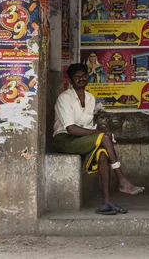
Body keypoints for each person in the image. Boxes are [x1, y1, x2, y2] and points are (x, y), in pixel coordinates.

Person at [52, 63, 144, 215]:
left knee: (102, 154)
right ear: (71, 80)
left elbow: (86, 126)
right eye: (77, 77)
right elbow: (71, 129)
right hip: (64, 139)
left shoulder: (90, 98)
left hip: (81, 140)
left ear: (87, 77)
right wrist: (98, 133)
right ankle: (122, 179)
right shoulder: (65, 98)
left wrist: (97, 133)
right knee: (104, 137)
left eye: (83, 76)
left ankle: (106, 202)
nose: (81, 79)